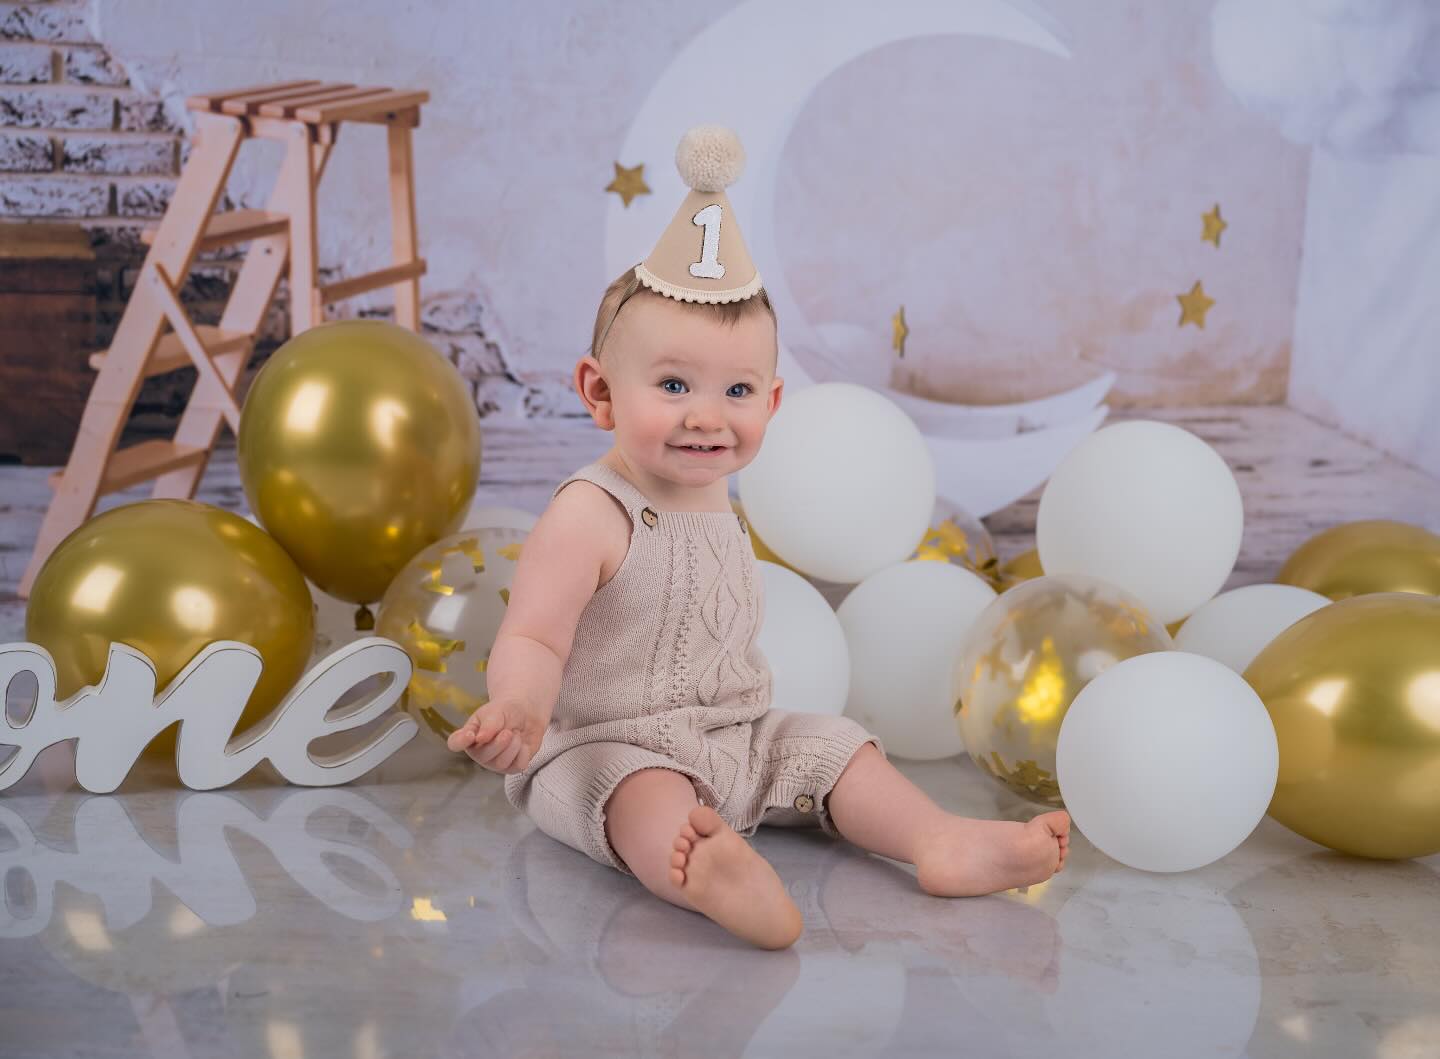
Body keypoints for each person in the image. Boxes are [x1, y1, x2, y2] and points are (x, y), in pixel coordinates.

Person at [447, 126, 1068, 950]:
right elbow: (532, 631)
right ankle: (706, 870)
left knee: (833, 745)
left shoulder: (715, 497)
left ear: (771, 405)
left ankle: (935, 839)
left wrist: (752, 740)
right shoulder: (591, 511)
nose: (707, 414)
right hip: (600, 746)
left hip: (736, 735)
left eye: (736, 389)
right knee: (639, 794)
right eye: (673, 384)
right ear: (599, 392)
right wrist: (522, 707)